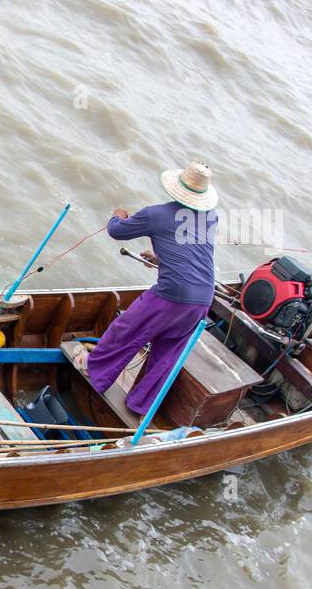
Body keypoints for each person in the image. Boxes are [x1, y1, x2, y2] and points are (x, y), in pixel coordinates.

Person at [86, 160, 219, 414]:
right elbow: (193, 254)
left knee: (126, 330)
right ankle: (141, 404)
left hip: (171, 295)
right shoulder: (211, 217)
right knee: (167, 353)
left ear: (177, 186)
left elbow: (116, 231)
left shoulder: (156, 214)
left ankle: (97, 375)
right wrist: (161, 261)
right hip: (202, 299)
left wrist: (118, 215)